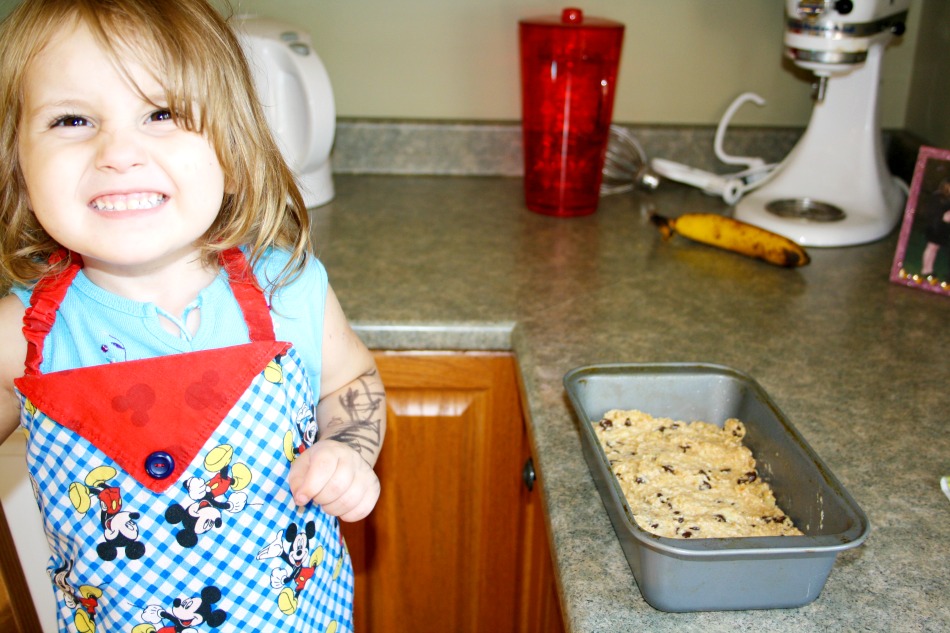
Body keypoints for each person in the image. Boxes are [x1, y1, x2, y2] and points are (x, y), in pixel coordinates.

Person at [0, 1, 385, 631]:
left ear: (231, 149)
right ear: (18, 162)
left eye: (162, 113)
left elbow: (350, 382)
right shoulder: (22, 335)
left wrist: (347, 449)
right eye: (72, 119)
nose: (116, 152)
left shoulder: (290, 293)